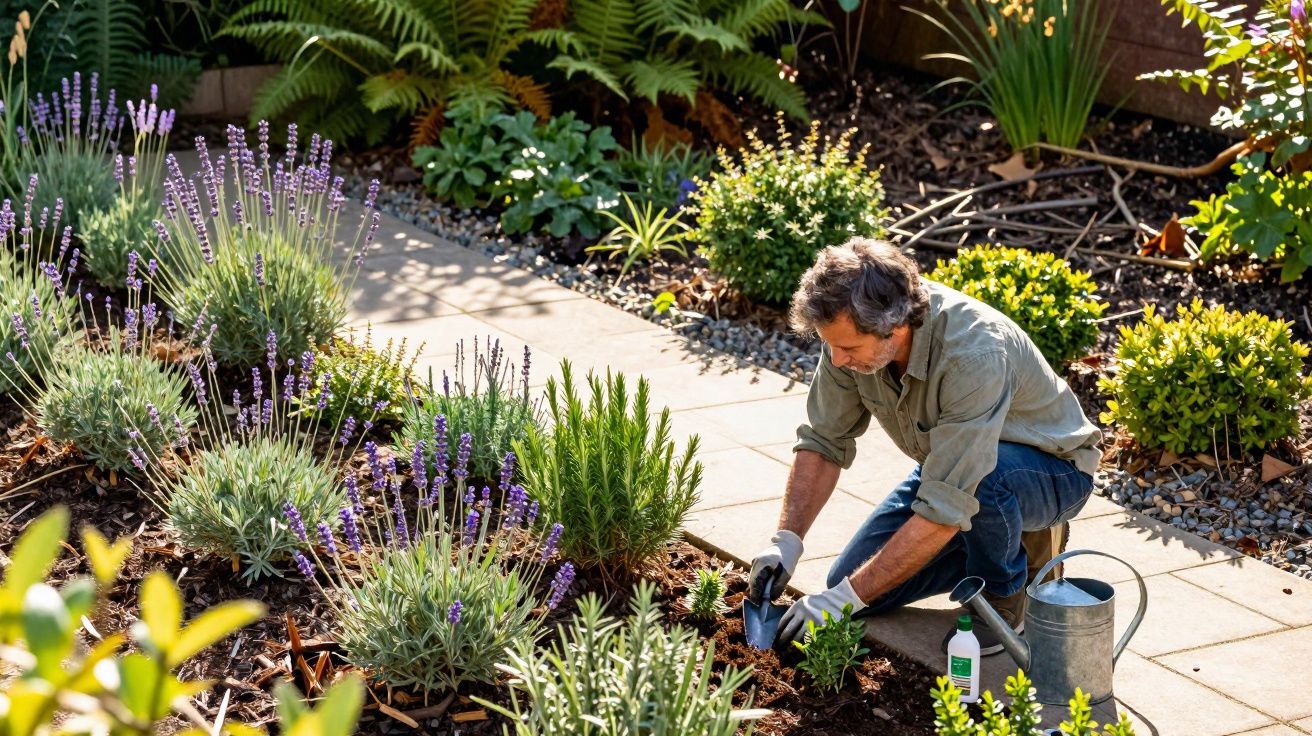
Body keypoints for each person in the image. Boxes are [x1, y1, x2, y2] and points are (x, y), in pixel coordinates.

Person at [749, 238, 1101, 654]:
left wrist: (848, 597)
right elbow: (824, 441)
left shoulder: (974, 353)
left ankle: (1008, 594)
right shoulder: (848, 335)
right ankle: (999, 545)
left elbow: (950, 500)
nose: (837, 359)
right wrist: (786, 540)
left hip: (1051, 471)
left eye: (847, 348)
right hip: (951, 466)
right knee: (847, 583)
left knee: (979, 485)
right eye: (831, 346)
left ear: (894, 328)